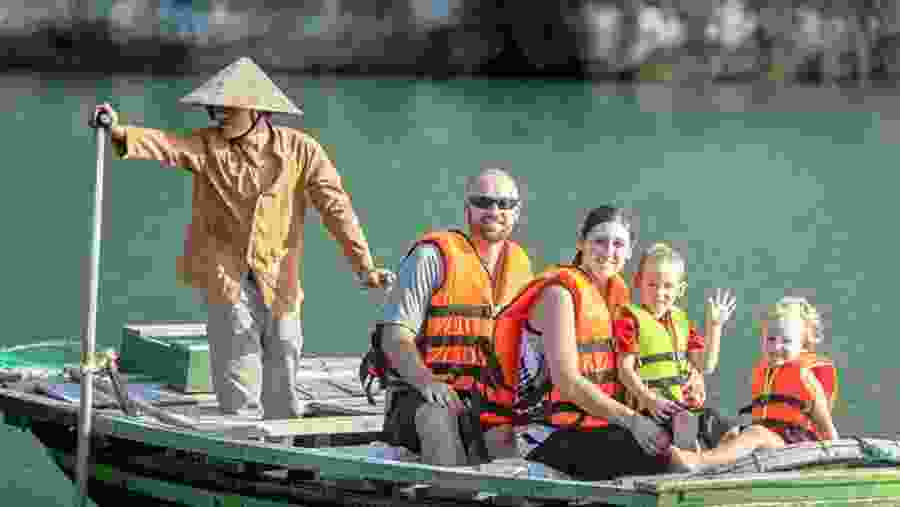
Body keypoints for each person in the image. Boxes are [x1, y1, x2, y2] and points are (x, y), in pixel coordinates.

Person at [90, 57, 394, 422]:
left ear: (256, 110)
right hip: (227, 273)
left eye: (227, 108)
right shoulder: (207, 146)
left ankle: (287, 439)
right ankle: (243, 438)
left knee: (284, 347)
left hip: (278, 274)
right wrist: (121, 132)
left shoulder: (301, 151)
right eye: (214, 108)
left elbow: (337, 210)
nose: (218, 115)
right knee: (238, 355)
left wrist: (365, 267)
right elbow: (169, 145)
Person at [486, 206, 675, 481]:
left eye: (618, 243)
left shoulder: (616, 296)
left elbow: (631, 366)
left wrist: (684, 379)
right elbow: (568, 382)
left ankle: (709, 466)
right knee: (654, 454)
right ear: (580, 243)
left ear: (630, 249)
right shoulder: (558, 294)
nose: (608, 251)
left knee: (689, 423)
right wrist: (635, 422)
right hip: (545, 434)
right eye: (599, 241)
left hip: (598, 424)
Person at [368, 168, 534, 466]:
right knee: (439, 420)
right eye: (483, 201)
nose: (494, 211)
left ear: (517, 211)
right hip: (421, 395)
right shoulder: (432, 257)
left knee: (508, 445)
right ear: (467, 207)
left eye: (505, 203)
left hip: (488, 400)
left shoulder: (521, 266)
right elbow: (395, 336)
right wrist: (428, 382)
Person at [670, 297, 839, 471]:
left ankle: (698, 462)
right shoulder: (766, 371)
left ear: (804, 344)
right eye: (771, 339)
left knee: (755, 433)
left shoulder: (804, 376)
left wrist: (835, 462)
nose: (776, 346)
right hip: (775, 440)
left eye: (786, 341)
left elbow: (826, 428)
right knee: (734, 433)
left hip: (799, 449)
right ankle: (708, 466)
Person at [615, 242, 738, 449]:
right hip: (651, 410)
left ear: (680, 290)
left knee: (722, 423)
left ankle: (725, 460)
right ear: (639, 283)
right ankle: (688, 457)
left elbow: (705, 365)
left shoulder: (681, 321)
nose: (659, 293)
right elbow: (624, 370)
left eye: (668, 286)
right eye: (652, 285)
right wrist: (649, 399)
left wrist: (715, 327)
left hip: (682, 407)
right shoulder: (629, 320)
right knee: (682, 422)